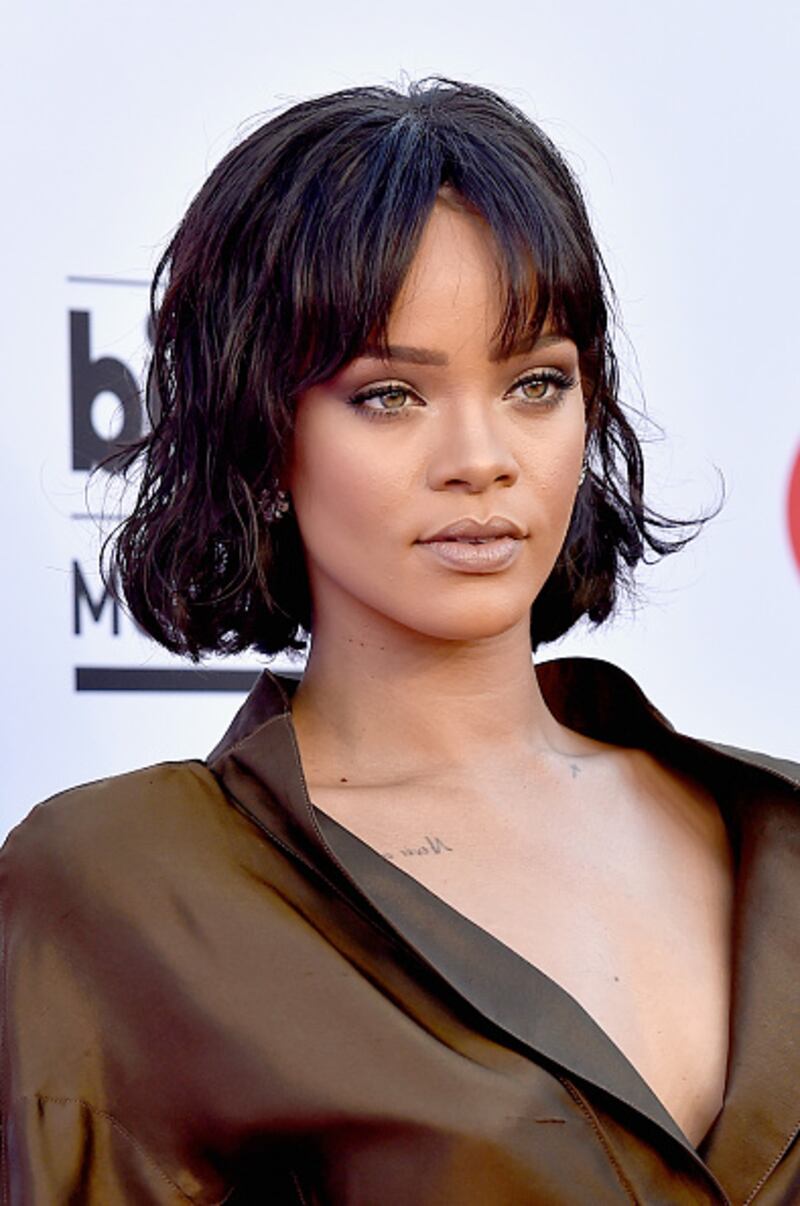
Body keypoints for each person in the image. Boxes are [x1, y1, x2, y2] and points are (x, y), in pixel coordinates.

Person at [1, 78, 798, 1206]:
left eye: (535, 383)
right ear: (262, 433)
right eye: (389, 395)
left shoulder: (775, 834)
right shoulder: (126, 887)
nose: (481, 458)